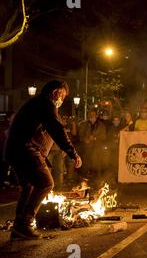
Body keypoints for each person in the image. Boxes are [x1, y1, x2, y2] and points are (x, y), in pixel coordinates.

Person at [5, 80, 82, 239]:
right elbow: (57, 130)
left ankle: (19, 228)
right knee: (46, 183)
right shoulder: (45, 105)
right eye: (63, 96)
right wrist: (72, 153)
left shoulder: (37, 104)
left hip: (15, 150)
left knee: (29, 187)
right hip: (26, 150)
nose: (62, 100)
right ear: (55, 93)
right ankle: (24, 224)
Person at [78, 109, 107, 186]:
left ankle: (98, 181)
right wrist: (85, 139)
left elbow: (104, 136)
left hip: (97, 148)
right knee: (86, 164)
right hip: (87, 148)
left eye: (93, 115)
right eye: (90, 115)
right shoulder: (84, 124)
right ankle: (84, 182)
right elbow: (80, 135)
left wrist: (94, 138)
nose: (92, 116)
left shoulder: (101, 125)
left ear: (96, 116)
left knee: (97, 164)